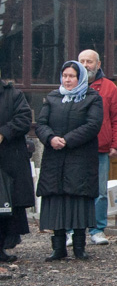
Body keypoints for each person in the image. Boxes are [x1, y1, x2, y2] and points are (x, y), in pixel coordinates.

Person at [35, 62, 103, 261]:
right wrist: (50, 138)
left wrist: (67, 140)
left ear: (80, 78)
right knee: (57, 201)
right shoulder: (53, 97)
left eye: (72, 76)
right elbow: (41, 124)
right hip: (54, 159)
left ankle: (79, 247)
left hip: (80, 158)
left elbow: (93, 125)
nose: (67, 80)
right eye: (65, 75)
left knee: (78, 201)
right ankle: (58, 247)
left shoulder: (92, 97)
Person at [77, 49, 117, 246]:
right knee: (75, 190)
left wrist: (116, 144)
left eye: (89, 61)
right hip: (75, 148)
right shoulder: (70, 85)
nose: (85, 65)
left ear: (98, 64)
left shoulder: (108, 87)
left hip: (100, 148)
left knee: (100, 192)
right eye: (82, 61)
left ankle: (97, 230)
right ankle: (73, 230)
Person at [0, 78, 35, 262]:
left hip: (9, 161)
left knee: (6, 207)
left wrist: (4, 133)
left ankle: (2, 247)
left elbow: (24, 119)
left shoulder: (13, 94)